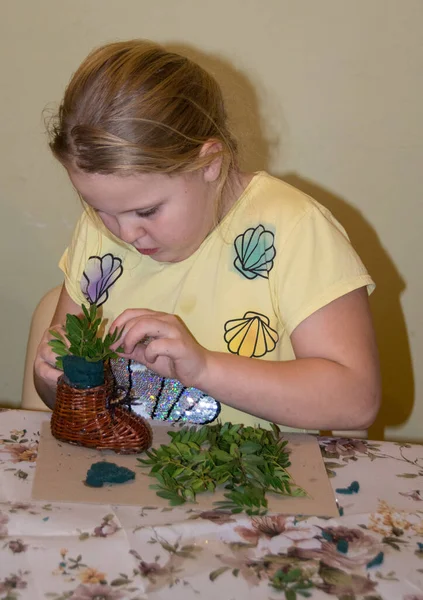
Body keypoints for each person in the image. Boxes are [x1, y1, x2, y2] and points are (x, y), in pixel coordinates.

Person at [34, 39, 381, 431]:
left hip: (263, 479)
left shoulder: (296, 230)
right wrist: (55, 378)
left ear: (210, 162)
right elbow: (59, 397)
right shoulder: (100, 234)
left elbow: (356, 400)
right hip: (124, 471)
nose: (125, 233)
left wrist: (204, 368)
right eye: (98, 210)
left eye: (147, 211)